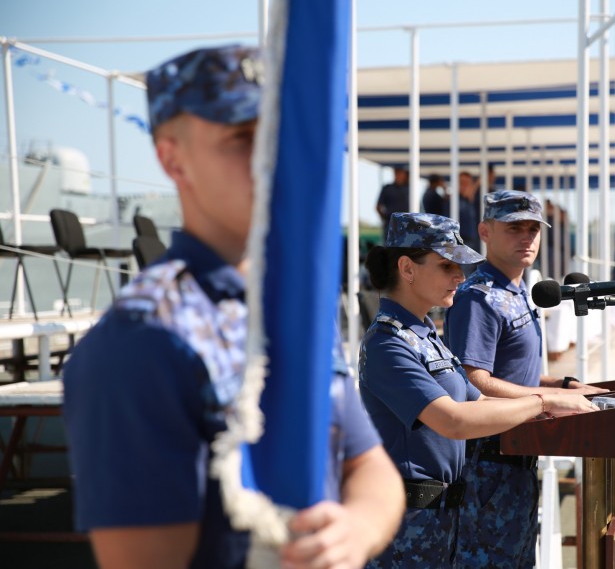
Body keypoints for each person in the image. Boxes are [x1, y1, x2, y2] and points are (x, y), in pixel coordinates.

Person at [62, 44, 403, 569]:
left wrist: (354, 530)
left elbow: (369, 466)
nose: (272, 157)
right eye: (242, 138)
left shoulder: (294, 306)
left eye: (282, 133)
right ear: (172, 157)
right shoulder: (144, 341)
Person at [358, 212, 599, 568]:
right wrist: (543, 400)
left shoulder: (425, 336)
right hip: (406, 528)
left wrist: (561, 399)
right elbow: (454, 420)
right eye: (446, 266)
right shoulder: (388, 343)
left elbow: (480, 400)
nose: (459, 276)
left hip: (444, 521)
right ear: (407, 269)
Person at [444, 190, 607, 568]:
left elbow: (522, 372)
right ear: (485, 231)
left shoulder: (517, 291)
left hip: (518, 455)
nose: (526, 237)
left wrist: (563, 386)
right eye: (514, 227)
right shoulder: (479, 298)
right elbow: (473, 380)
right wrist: (548, 400)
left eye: (533, 228)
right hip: (487, 463)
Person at [376, 166, 410, 242]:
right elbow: (378, 207)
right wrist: (386, 218)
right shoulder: (387, 188)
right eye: (397, 173)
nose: (399, 175)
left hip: (406, 225)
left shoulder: (410, 189)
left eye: (401, 173)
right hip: (390, 225)